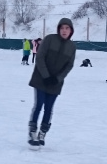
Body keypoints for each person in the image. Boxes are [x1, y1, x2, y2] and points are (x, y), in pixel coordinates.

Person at [28, 18, 77, 148]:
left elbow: (69, 65)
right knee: (39, 104)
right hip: (41, 79)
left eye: (67, 28)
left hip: (55, 82)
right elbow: (40, 57)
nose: (64, 31)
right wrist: (46, 75)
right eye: (62, 28)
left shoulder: (72, 47)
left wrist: (57, 78)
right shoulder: (50, 39)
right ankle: (32, 131)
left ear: (71, 31)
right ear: (58, 29)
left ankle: (42, 132)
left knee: (49, 108)